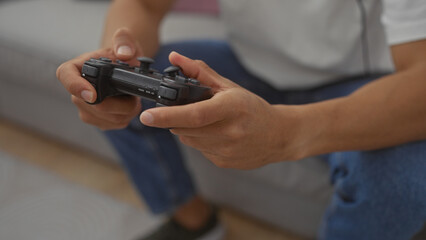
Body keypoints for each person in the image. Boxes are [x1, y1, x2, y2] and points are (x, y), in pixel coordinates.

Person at [56, 0, 426, 239]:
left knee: (401, 183)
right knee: (129, 95)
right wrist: (116, 59)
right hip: (250, 64)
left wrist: (287, 132)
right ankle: (196, 223)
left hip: (365, 82)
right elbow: (145, 5)